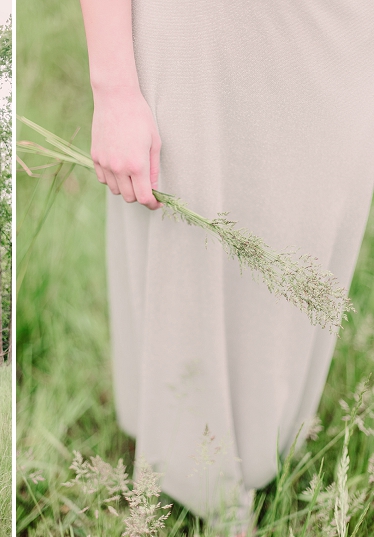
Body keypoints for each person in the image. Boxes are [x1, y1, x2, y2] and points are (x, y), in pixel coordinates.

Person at [78, 0, 374, 534]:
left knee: (307, 234)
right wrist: (114, 89)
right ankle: (204, 477)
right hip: (206, 29)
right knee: (191, 246)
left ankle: (269, 440)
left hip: (341, 32)